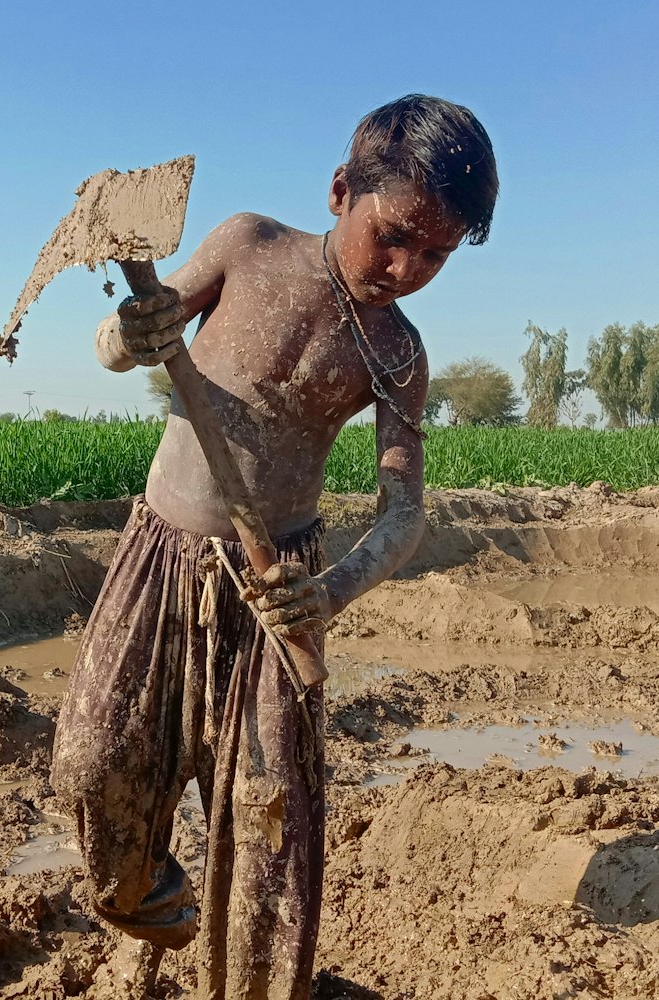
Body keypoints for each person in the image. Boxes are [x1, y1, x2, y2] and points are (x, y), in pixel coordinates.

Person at [52, 94, 498, 998]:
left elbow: (402, 513)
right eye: (396, 234)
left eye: (437, 255)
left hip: (277, 588)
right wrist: (123, 336)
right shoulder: (249, 246)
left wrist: (329, 593)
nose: (407, 268)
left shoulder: (397, 354)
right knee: (94, 761)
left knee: (268, 832)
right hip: (160, 552)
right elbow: (131, 335)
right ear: (342, 191)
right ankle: (150, 901)